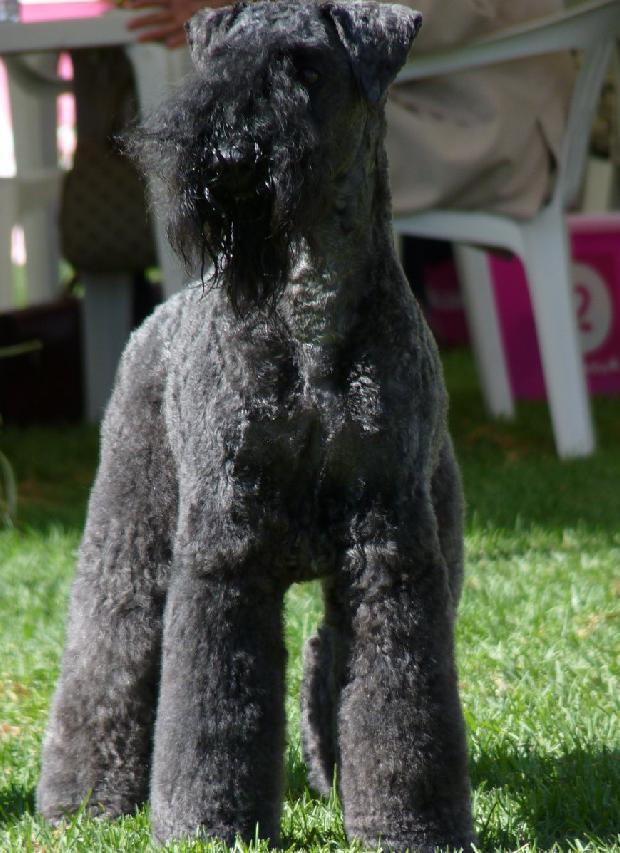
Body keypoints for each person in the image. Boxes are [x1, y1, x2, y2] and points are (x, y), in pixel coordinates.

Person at [125, 0, 575, 221]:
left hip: (483, 126)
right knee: (229, 129)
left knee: (248, 140)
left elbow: (409, 15)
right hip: (429, 104)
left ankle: (236, 360)